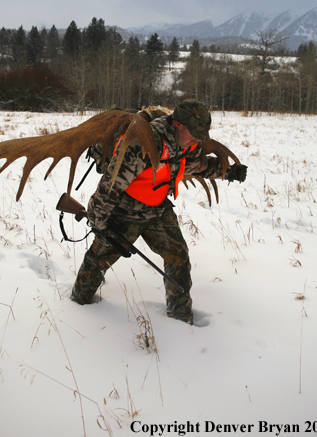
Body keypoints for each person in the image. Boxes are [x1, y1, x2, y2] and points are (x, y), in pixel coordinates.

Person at [71, 99, 246, 324]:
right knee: (98, 259)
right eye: (194, 133)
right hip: (124, 212)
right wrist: (98, 221)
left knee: (178, 255)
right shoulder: (142, 143)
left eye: (201, 135)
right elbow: (111, 185)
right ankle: (78, 304)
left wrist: (227, 172)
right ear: (178, 125)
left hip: (158, 210)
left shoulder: (190, 143)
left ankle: (180, 317)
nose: (197, 139)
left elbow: (196, 165)